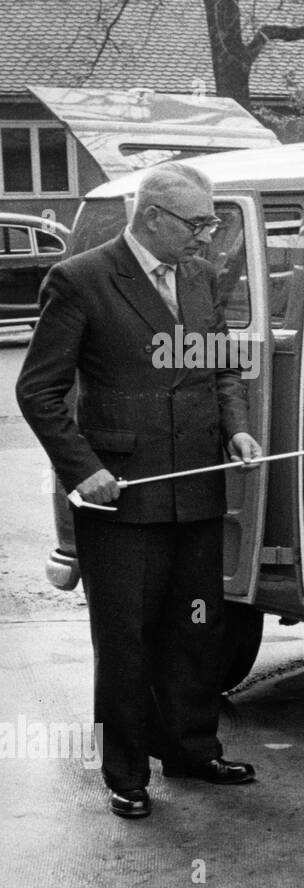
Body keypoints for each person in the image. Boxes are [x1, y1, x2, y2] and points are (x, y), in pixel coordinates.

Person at [16, 161, 262, 820]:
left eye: (211, 222)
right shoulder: (81, 280)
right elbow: (37, 390)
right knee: (124, 641)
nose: (207, 236)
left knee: (194, 631)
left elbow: (222, 372)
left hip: (197, 488)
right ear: (153, 217)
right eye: (197, 223)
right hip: (121, 496)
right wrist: (82, 468)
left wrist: (235, 432)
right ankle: (126, 773)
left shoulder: (201, 277)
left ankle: (189, 747)